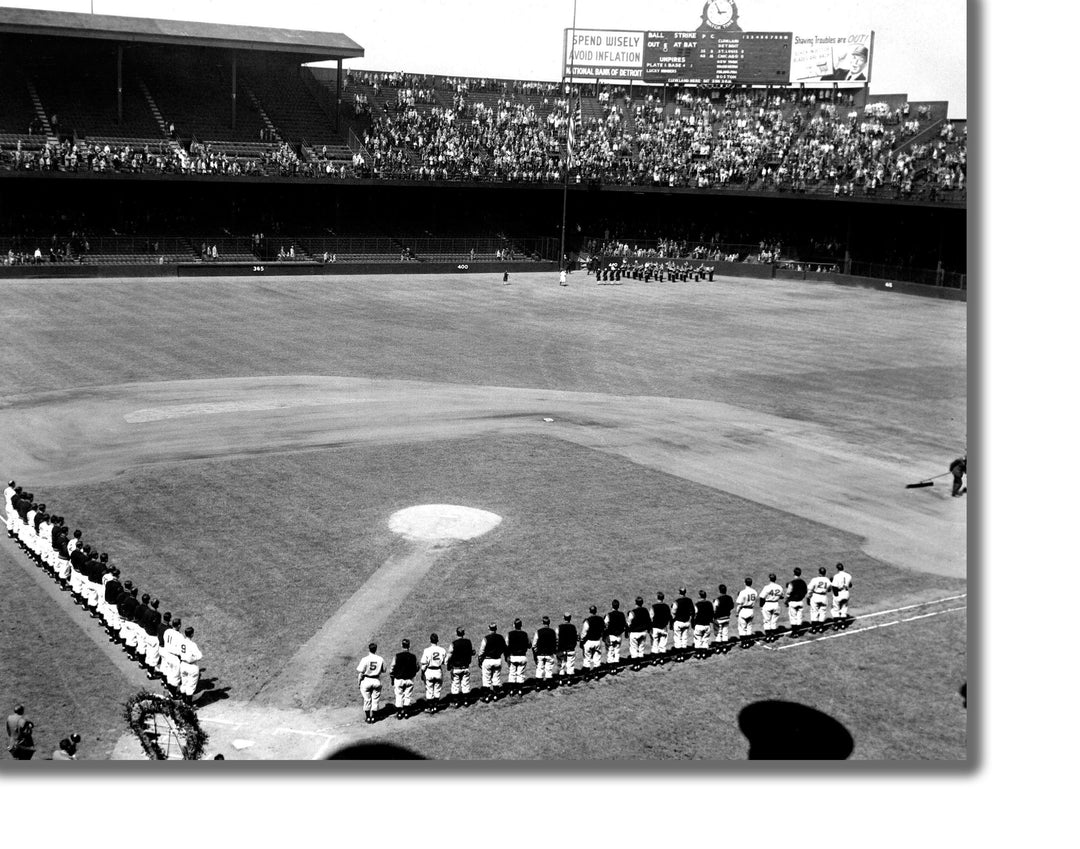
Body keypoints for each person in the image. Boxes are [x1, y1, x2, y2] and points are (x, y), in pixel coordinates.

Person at [356, 642, 386, 723]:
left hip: (366, 680)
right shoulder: (380, 659)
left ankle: (368, 717)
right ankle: (374, 718)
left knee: (367, 699)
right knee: (375, 700)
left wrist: (359, 682)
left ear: (369, 649)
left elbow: (361, 672)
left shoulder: (365, 659)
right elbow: (384, 670)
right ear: (376, 649)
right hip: (376, 680)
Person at [389, 639, 419, 719]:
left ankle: (399, 713)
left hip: (399, 680)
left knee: (399, 695)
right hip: (409, 679)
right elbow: (417, 667)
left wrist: (392, 677)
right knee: (407, 696)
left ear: (402, 645)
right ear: (409, 646)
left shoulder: (397, 656)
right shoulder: (413, 656)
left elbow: (392, 668)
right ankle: (406, 713)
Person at [478, 623, 507, 702]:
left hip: (487, 660)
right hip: (497, 660)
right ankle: (495, 696)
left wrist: (480, 660)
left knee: (486, 679)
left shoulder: (486, 639)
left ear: (489, 628)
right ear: (496, 628)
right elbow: (505, 648)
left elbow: (481, 651)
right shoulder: (501, 637)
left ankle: (486, 697)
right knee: (496, 679)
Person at [420, 634, 447, 712]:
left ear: (430, 640)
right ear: (437, 640)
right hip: (438, 671)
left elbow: (424, 663)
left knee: (429, 690)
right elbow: (445, 662)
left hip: (429, 671)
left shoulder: (427, 650)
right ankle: (436, 706)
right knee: (437, 690)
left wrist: (422, 673)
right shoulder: (442, 650)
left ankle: (430, 707)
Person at [448, 627, 474, 707]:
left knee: (455, 684)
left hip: (456, 668)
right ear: (463, 633)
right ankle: (466, 701)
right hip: (465, 667)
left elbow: (449, 655)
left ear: (456, 633)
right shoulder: (468, 642)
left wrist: (448, 665)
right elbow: (472, 652)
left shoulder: (454, 643)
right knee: (465, 684)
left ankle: (456, 702)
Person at [178, 626, 203, 703]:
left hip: (183, 665)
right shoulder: (192, 644)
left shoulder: (181, 642)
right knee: (190, 687)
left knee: (184, 684)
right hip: (191, 666)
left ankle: (183, 703)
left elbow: (178, 652)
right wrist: (193, 657)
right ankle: (188, 706)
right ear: (192, 634)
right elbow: (200, 656)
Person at [505, 619, 531, 690]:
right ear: (521, 625)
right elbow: (529, 645)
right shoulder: (525, 634)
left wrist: (506, 656)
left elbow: (506, 645)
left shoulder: (509, 634)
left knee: (512, 673)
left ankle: (511, 691)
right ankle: (520, 691)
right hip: (522, 657)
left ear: (514, 625)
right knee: (520, 674)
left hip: (512, 657)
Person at [531, 616, 557, 685]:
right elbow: (556, 642)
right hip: (549, 654)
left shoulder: (538, 632)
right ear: (549, 623)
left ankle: (538, 686)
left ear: (543, 622)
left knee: (539, 669)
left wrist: (535, 652)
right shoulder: (553, 632)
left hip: (540, 654)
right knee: (549, 670)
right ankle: (548, 685)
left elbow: (534, 644)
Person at [626, 597, 652, 665]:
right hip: (643, 632)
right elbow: (649, 621)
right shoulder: (645, 610)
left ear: (635, 603)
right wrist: (649, 629)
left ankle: (636, 664)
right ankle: (640, 663)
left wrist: (627, 631)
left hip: (634, 633)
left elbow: (628, 623)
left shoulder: (632, 612)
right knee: (641, 648)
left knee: (634, 649)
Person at [580, 605, 606, 672]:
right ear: (596, 611)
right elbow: (604, 629)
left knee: (587, 659)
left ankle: (586, 675)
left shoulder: (587, 621)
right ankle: (596, 675)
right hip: (597, 641)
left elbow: (584, 633)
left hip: (589, 642)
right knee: (597, 659)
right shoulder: (601, 619)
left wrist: (581, 641)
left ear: (589, 611)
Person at [759, 574, 785, 640]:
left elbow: (762, 597)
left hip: (768, 604)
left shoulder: (767, 587)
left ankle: (768, 637)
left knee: (767, 621)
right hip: (776, 604)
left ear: (769, 579)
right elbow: (782, 596)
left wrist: (761, 606)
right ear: (775, 579)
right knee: (773, 621)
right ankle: (773, 636)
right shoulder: (779, 587)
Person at [807, 566, 833, 631]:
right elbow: (829, 590)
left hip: (815, 596)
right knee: (822, 612)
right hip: (824, 597)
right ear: (825, 573)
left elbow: (810, 589)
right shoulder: (828, 580)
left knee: (814, 612)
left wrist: (808, 597)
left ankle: (814, 628)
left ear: (819, 573)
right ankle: (821, 628)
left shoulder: (814, 579)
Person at [603, 599, 627, 669]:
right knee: (617, 650)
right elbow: (624, 625)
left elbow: (605, 625)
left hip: (611, 636)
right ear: (618, 606)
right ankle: (616, 666)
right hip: (619, 636)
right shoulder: (622, 614)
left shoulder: (609, 615)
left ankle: (611, 667)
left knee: (610, 650)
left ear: (612, 606)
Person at [735, 577, 759, 646]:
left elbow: (739, 604)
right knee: (749, 627)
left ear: (745, 583)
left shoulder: (743, 592)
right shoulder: (754, 592)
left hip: (743, 611)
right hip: (751, 610)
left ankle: (744, 643)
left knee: (742, 628)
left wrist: (737, 612)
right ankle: (748, 642)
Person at [671, 587, 695, 652]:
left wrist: (672, 621)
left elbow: (673, 612)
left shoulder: (677, 602)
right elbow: (693, 611)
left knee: (677, 638)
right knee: (684, 638)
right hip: (687, 622)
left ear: (679, 593)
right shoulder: (689, 600)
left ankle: (679, 655)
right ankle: (683, 654)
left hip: (678, 622)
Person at [785, 568, 808, 634]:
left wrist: (786, 601)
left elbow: (788, 593)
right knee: (799, 617)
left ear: (794, 573)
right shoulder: (803, 582)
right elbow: (805, 591)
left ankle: (794, 632)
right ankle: (798, 631)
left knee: (793, 617)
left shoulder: (792, 583)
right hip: (800, 602)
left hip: (793, 602)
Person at [556, 613, 578, 681]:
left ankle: (561, 681)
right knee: (570, 666)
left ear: (563, 618)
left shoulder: (559, 627)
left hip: (561, 649)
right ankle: (569, 681)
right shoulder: (573, 627)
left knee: (561, 665)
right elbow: (577, 637)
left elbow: (556, 638)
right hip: (571, 649)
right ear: (570, 618)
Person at [650, 591, 672, 657]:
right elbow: (669, 616)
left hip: (655, 628)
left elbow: (651, 617)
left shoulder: (653, 607)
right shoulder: (666, 606)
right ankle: (662, 659)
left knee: (654, 644)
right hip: (664, 627)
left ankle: (654, 660)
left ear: (657, 598)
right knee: (662, 644)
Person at [693, 589, 714, 653]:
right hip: (707, 625)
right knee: (705, 640)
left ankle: (699, 653)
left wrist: (693, 623)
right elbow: (712, 613)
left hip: (699, 625)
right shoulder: (710, 604)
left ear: (699, 596)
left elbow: (694, 615)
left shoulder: (697, 605)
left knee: (698, 639)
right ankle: (704, 653)